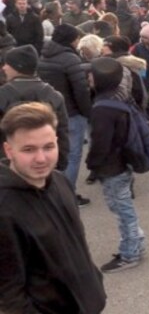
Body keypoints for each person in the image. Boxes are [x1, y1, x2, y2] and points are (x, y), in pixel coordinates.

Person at [0, 102, 106, 314]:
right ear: (9, 150)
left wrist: (94, 284)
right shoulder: (4, 209)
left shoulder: (59, 181)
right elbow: (9, 294)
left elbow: (76, 241)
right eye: (28, 149)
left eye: (48, 146)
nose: (41, 158)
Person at [86, 57, 146, 272]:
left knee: (123, 210)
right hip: (124, 161)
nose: (88, 77)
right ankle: (136, 242)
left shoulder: (102, 108)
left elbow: (101, 143)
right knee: (122, 206)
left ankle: (130, 253)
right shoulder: (120, 97)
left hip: (113, 166)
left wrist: (92, 163)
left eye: (91, 73)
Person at [38, 23, 93, 207]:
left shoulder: (44, 55)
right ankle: (67, 196)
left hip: (49, 112)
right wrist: (88, 112)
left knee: (54, 155)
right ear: (71, 39)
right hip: (72, 113)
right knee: (72, 156)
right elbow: (81, 90)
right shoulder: (70, 58)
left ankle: (52, 191)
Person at [0, 45, 69, 171]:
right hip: (44, 164)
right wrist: (61, 163)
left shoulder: (3, 95)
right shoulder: (53, 95)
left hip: (8, 166)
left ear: (17, 67)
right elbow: (62, 133)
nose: (4, 67)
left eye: (7, 64)